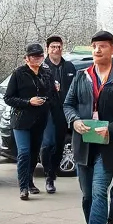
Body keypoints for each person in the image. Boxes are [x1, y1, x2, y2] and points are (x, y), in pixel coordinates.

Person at [64, 30, 113, 224]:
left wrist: (111, 129)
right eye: (95, 46)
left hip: (110, 145)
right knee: (88, 194)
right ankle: (112, 213)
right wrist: (74, 120)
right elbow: (68, 105)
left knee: (99, 191)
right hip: (84, 143)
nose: (98, 50)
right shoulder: (82, 76)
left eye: (103, 46)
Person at [4, 43, 54, 200]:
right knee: (24, 152)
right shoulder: (19, 73)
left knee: (34, 153)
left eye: (40, 56)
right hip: (22, 119)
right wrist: (28, 102)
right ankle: (23, 186)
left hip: (40, 118)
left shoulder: (46, 73)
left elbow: (50, 93)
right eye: (34, 56)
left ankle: (30, 181)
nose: (37, 59)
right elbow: (8, 98)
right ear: (26, 58)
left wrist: (51, 94)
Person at [40, 34, 77, 192]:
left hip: (64, 110)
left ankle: (52, 176)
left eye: (59, 47)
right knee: (47, 143)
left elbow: (75, 89)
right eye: (53, 47)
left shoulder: (69, 67)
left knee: (59, 144)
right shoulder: (42, 67)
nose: (56, 49)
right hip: (47, 110)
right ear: (47, 49)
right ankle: (47, 172)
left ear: (62, 48)